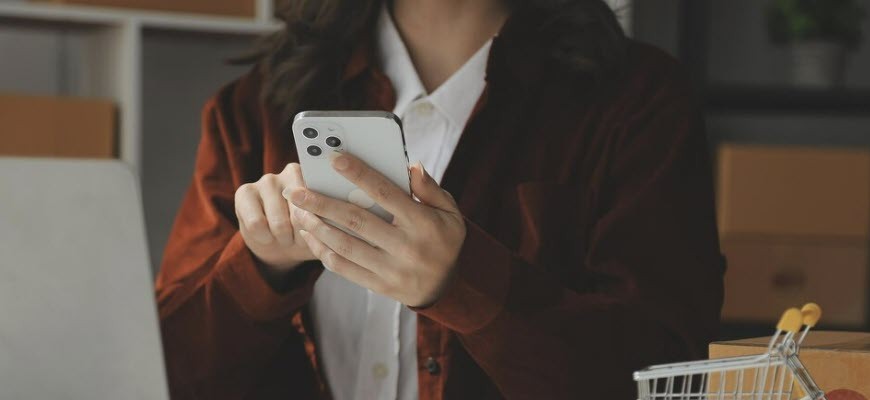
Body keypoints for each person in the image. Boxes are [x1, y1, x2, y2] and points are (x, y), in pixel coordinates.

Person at [155, 0, 725, 398]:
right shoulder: (253, 111)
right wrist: (260, 268)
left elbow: (662, 374)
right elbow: (160, 376)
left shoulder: (637, 103)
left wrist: (466, 284)